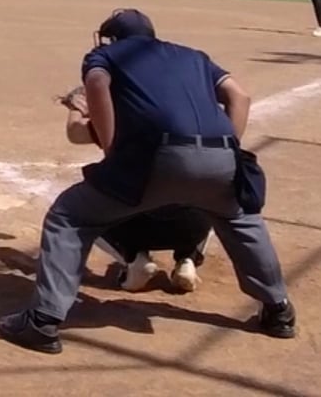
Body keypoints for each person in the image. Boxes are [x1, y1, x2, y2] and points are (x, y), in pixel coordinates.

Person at [0, 8, 296, 354]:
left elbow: (96, 84)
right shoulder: (193, 56)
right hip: (222, 156)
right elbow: (239, 97)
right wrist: (227, 149)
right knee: (240, 218)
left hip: (158, 157)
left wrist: (111, 147)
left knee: (69, 216)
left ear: (112, 38)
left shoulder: (106, 55)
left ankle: (42, 321)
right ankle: (279, 311)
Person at [56, 86, 211, 292]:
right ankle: (188, 259)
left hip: (135, 227)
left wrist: (76, 108)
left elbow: (75, 133)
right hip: (191, 226)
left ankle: (134, 259)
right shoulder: (195, 119)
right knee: (211, 190)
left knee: (82, 209)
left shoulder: (121, 120)